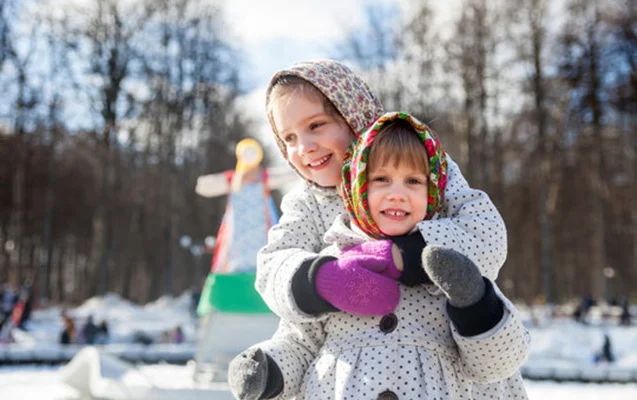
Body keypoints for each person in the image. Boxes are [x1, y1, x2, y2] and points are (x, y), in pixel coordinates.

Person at [228, 112, 530, 399]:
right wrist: (271, 371)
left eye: (413, 181)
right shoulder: (339, 265)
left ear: (433, 192)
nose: (397, 193)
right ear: (356, 188)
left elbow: (498, 365)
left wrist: (476, 307)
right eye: (381, 180)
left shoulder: (448, 271)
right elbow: (300, 342)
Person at [255, 60, 508, 325]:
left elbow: (485, 233)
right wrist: (323, 280)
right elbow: (272, 265)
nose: (304, 146)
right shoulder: (305, 202)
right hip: (351, 354)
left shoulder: (419, 161)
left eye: (316, 125)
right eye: (289, 138)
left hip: (440, 340)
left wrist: (405, 256)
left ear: (353, 116)